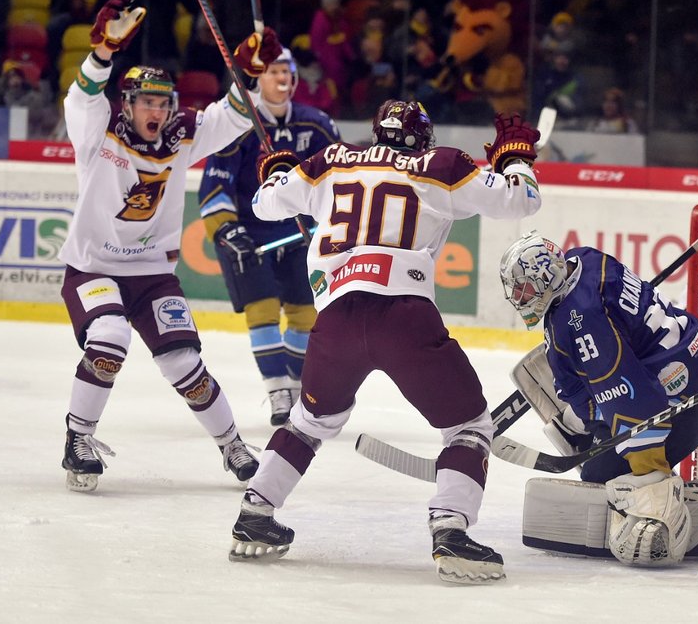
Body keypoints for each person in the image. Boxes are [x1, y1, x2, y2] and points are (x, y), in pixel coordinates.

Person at [226, 101, 543, 585]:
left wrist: (280, 174)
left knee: (308, 421)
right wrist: (514, 160)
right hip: (404, 316)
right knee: (469, 425)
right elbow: (522, 200)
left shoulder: (329, 160)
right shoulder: (442, 165)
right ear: (422, 138)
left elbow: (264, 204)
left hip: (335, 320)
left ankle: (256, 511)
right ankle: (450, 529)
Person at [57, 0, 283, 493]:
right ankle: (78, 436)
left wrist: (249, 76)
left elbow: (233, 117)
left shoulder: (181, 133)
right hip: (93, 267)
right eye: (147, 103)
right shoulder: (101, 130)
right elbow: (80, 98)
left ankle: (231, 447)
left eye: (163, 102)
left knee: (185, 363)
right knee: (109, 337)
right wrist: (101, 55)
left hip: (153, 274)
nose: (156, 112)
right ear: (129, 104)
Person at [499, 232, 698, 566]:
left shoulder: (584, 321)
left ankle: (663, 499)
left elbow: (629, 397)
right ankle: (585, 427)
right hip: (690, 362)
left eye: (524, 288)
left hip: (679, 407)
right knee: (585, 384)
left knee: (596, 475)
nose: (519, 297)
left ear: (546, 276)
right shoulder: (585, 258)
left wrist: (646, 468)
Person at [199, 48, 341, 427]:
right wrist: (228, 230)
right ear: (258, 78)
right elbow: (216, 183)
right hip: (250, 235)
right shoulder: (238, 124)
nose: (283, 78)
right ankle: (278, 390)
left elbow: (338, 179)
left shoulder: (318, 125)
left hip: (301, 233)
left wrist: (330, 223)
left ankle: (295, 382)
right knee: (261, 310)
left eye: (289, 71)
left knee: (307, 316)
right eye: (274, 70)